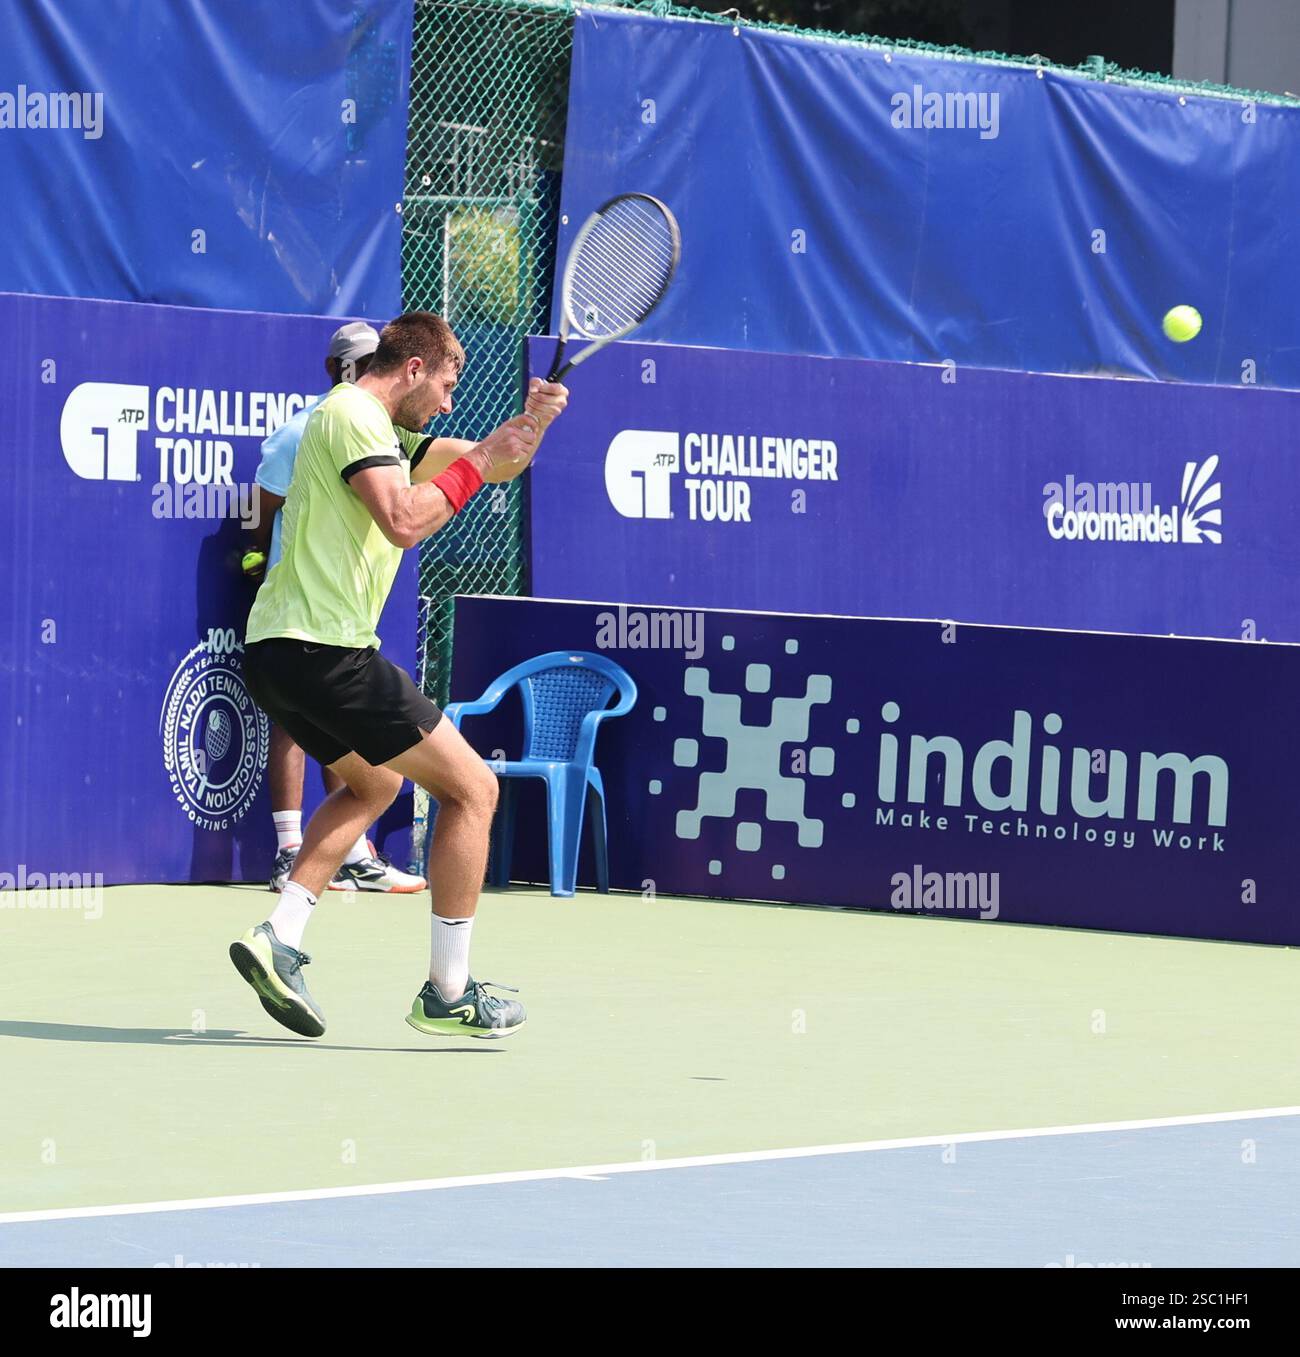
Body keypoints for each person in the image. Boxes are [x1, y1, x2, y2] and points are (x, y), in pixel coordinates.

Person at [230, 311, 568, 1039]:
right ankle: (449, 992)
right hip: (326, 651)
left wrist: (532, 423)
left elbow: (489, 460)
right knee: (474, 789)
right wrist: (481, 459)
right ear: (413, 368)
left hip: (281, 655)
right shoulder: (354, 414)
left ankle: (279, 937)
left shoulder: (384, 431)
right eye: (445, 386)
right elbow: (404, 522)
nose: (447, 405)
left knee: (375, 783)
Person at [243, 321, 424, 894]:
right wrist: (255, 556)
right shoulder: (306, 429)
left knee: (344, 735)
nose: (371, 369)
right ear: (340, 369)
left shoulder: (390, 434)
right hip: (295, 609)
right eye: (361, 361)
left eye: (377, 358)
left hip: (347, 614)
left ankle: (354, 852)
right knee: (294, 726)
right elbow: (261, 508)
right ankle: (288, 850)